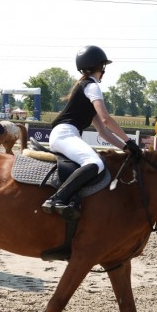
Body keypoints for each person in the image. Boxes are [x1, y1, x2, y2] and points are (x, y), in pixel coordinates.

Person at [43, 46, 140, 216]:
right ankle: (56, 199)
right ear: (101, 67)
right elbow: (106, 119)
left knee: (93, 162)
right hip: (65, 134)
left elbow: (103, 133)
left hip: (64, 134)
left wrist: (126, 148)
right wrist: (129, 141)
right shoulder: (92, 86)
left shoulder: (85, 87)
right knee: (95, 163)